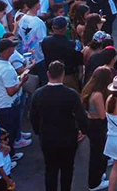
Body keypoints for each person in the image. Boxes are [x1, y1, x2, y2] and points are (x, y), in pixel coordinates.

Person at [29, 60, 86, 191]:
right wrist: (83, 131)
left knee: (50, 169)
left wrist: (39, 131)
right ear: (63, 74)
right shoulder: (71, 94)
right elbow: (81, 116)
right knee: (67, 168)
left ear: (48, 74)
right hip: (68, 138)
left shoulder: (38, 94)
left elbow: (33, 117)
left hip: (47, 138)